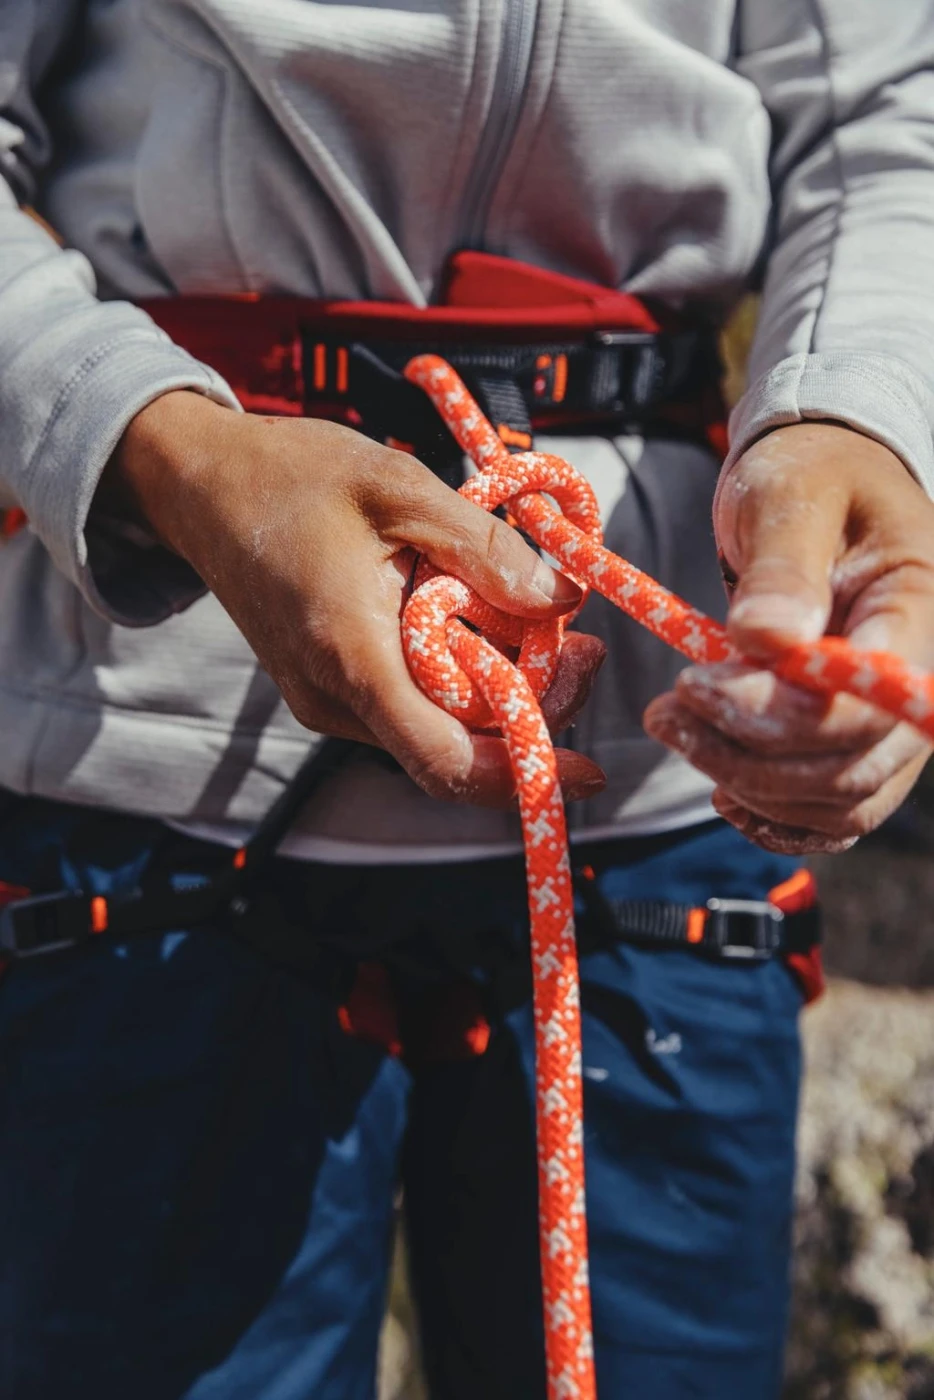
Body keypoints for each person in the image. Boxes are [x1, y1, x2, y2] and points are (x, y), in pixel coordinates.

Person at [1, 2, 934, 1397]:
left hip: (653, 806)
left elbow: (880, 121)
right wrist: (163, 448)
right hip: (151, 775)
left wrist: (854, 422)